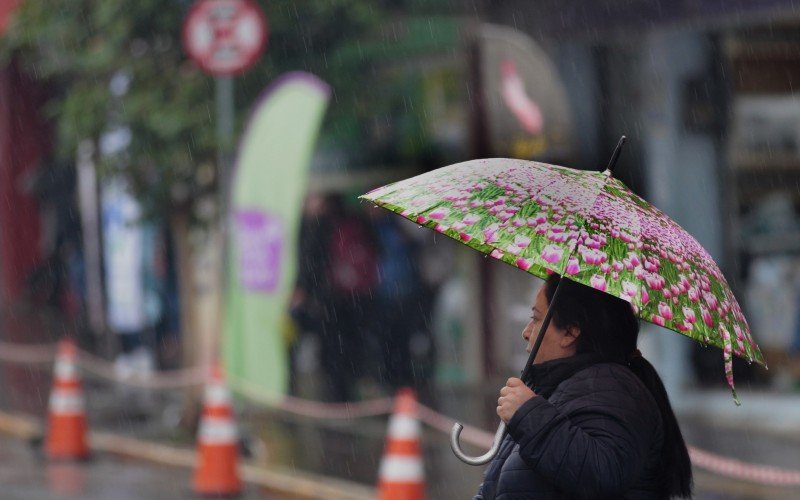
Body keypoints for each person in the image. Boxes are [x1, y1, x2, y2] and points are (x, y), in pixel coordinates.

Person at [475, 274, 692, 499]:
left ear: (570, 332)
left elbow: (602, 473)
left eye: (536, 319)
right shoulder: (557, 389)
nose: (526, 332)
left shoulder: (614, 390)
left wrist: (528, 415)